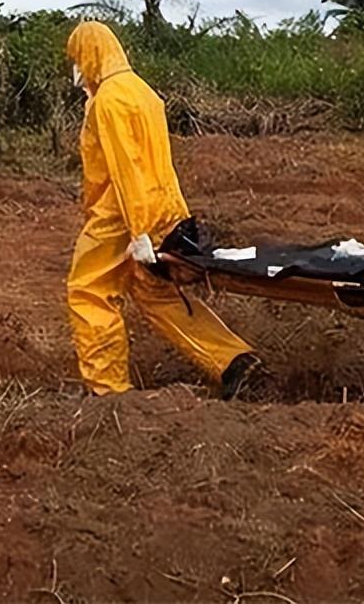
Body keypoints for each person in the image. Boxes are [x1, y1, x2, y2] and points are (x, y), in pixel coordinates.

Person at [64, 20, 259, 397]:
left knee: (89, 292)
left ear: (90, 53)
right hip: (161, 209)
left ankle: (107, 390)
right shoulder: (141, 91)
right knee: (156, 295)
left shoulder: (110, 99)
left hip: (118, 216)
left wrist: (140, 233)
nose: (75, 68)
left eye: (76, 58)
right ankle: (235, 362)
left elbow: (126, 167)